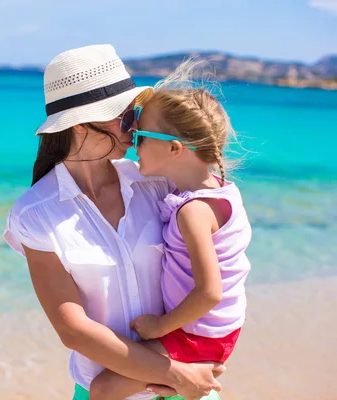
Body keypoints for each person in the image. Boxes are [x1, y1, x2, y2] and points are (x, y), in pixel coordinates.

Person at [3, 45, 224, 400]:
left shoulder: (159, 183)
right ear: (78, 125)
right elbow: (73, 330)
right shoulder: (35, 214)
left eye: (133, 114)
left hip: (191, 385)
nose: (136, 127)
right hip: (127, 389)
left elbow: (222, 246)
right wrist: (177, 374)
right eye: (123, 118)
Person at [89, 61, 252, 400]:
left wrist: (159, 327)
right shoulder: (222, 190)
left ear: (174, 149)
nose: (133, 145)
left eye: (141, 137)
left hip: (199, 333)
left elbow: (210, 293)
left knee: (103, 389)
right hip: (215, 330)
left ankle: (177, 383)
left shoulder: (193, 212)